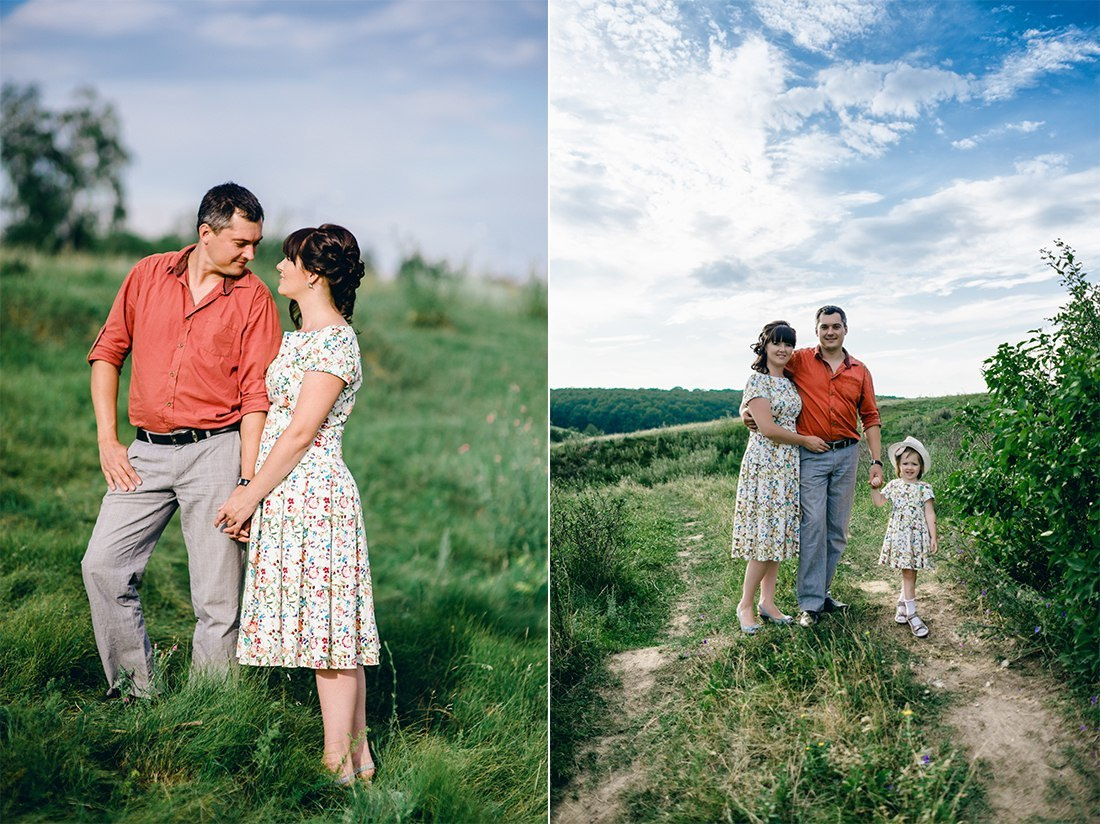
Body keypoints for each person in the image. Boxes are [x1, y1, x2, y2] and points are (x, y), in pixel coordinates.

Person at [82, 183, 281, 699]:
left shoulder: (255, 299)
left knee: (217, 600)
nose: (251, 254)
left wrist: (247, 481)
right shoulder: (148, 274)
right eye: (241, 242)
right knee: (102, 565)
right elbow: (108, 353)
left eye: (256, 243)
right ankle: (133, 692)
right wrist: (108, 441)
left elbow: (257, 398)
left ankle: (209, 712)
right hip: (144, 452)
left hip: (218, 450)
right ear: (205, 233)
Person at [214, 224, 381, 785]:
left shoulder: (335, 341)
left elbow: (301, 431)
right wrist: (259, 492)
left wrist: (247, 494)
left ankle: (338, 760)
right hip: (287, 493)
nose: (279, 266)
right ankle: (358, 761)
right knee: (326, 631)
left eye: (289, 259)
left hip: (316, 495)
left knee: (330, 633)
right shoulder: (296, 340)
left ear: (313, 273)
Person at [742, 305, 883, 628]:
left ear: (846, 329)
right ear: (816, 330)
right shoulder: (800, 359)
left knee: (836, 532)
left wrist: (876, 461)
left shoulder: (860, 370)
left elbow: (871, 418)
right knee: (813, 527)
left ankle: (821, 592)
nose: (830, 331)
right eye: (824, 327)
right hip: (811, 454)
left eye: (836, 326)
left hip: (847, 454)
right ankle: (809, 604)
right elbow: (764, 376)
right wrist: (744, 410)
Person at [731, 322, 828, 633]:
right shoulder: (757, 381)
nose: (783, 349)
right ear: (765, 346)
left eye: (788, 344)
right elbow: (769, 429)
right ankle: (745, 605)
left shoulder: (788, 381)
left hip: (787, 466)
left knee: (778, 537)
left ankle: (768, 603)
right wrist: (806, 440)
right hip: (765, 465)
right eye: (777, 343)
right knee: (764, 538)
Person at [871, 436, 937, 638]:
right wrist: (875, 488)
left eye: (914, 464)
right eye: (905, 463)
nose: (910, 467)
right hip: (900, 535)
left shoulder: (924, 488)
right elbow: (880, 502)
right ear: (899, 466)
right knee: (907, 572)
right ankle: (912, 613)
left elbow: (929, 513)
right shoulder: (894, 485)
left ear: (921, 466)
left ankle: (902, 604)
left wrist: (933, 536)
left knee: (911, 571)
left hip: (917, 536)